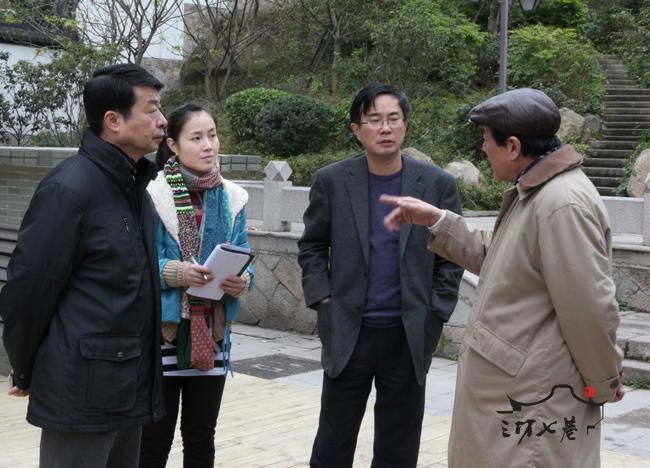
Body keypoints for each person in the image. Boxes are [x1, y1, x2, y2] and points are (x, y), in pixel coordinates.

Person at [381, 88, 625, 468]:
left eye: (486, 140)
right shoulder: (539, 192)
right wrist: (437, 220)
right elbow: (503, 259)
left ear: (513, 146)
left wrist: (603, 381)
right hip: (519, 392)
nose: (483, 148)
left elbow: (589, 309)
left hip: (533, 402)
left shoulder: (561, 203)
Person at [0, 64, 167, 467]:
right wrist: (24, 368)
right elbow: (28, 291)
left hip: (128, 384)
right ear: (113, 121)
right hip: (80, 393)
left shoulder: (135, 188)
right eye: (151, 109)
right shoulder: (69, 189)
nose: (162, 120)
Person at [298, 82, 464, 468]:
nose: (385, 128)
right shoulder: (333, 181)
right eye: (374, 120)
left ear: (405, 125)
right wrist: (324, 301)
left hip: (408, 334)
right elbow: (312, 245)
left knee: (398, 450)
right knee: (332, 445)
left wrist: (435, 312)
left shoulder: (436, 184)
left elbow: (452, 256)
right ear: (356, 129)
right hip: (349, 331)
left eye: (394, 118)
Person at [139, 102, 253, 468]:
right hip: (164, 333)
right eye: (197, 137)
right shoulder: (152, 195)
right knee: (154, 439)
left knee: (201, 437)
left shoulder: (233, 197)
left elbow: (243, 254)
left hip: (212, 333)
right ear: (173, 145)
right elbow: (139, 262)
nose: (208, 145)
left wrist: (241, 280)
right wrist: (178, 273)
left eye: (213, 136)